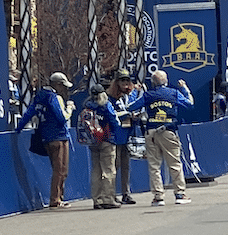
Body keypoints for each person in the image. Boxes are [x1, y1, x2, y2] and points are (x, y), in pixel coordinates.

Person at [17, 71, 75, 209]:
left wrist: (18, 129)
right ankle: (56, 199)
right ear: (57, 84)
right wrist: (70, 108)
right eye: (63, 85)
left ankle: (58, 197)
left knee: (57, 168)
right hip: (58, 136)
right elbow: (62, 117)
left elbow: (29, 113)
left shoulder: (39, 97)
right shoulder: (54, 98)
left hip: (46, 137)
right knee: (61, 170)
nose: (64, 88)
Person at [140, 65, 194, 205]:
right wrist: (185, 89)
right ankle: (180, 194)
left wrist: (137, 92)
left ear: (152, 83)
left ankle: (158, 196)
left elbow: (131, 107)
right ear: (166, 81)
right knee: (174, 163)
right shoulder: (174, 93)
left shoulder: (148, 95)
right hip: (168, 131)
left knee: (154, 165)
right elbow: (189, 104)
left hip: (151, 131)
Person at [75, 79, 123, 209]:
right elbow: (115, 121)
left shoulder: (87, 106)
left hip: (93, 142)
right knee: (109, 170)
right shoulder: (106, 106)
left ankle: (97, 200)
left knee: (96, 170)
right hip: (107, 140)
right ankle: (108, 198)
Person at [110, 71, 141, 203]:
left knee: (126, 166)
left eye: (127, 81)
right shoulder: (110, 97)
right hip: (115, 135)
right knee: (114, 166)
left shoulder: (128, 97)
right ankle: (111, 193)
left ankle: (126, 193)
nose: (125, 84)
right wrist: (127, 114)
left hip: (127, 135)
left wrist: (135, 117)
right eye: (122, 81)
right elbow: (113, 114)